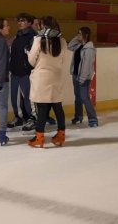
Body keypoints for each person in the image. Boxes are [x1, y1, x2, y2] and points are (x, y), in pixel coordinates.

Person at [27, 16, 68, 148]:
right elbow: (63, 61)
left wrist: (28, 53)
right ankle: (60, 136)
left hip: (42, 78)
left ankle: (39, 138)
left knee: (42, 108)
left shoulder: (39, 39)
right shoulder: (62, 41)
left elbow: (32, 60)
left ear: (44, 26)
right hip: (56, 77)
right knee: (58, 107)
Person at [7, 13, 36, 129]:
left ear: (29, 23)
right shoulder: (18, 35)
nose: (20, 23)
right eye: (18, 20)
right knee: (14, 97)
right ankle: (18, 117)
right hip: (14, 72)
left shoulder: (33, 36)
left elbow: (32, 55)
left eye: (22, 20)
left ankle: (32, 118)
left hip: (25, 72)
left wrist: (27, 68)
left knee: (28, 98)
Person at [67, 26, 99, 127]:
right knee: (78, 97)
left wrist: (82, 78)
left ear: (86, 35)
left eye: (80, 34)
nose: (77, 35)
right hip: (76, 74)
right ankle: (78, 116)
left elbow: (87, 65)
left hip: (84, 77)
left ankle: (93, 119)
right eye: (77, 33)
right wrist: (77, 38)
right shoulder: (79, 45)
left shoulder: (89, 48)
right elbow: (69, 46)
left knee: (85, 98)